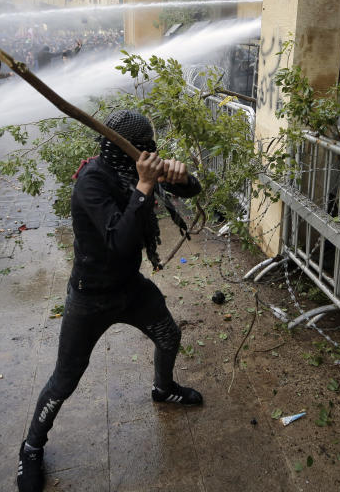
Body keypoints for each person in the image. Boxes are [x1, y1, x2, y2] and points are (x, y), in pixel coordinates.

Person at [16, 110, 203, 492]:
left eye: (150, 147)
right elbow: (120, 242)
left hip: (130, 288)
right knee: (65, 379)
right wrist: (146, 185)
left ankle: (163, 388)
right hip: (90, 296)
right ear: (118, 147)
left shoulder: (136, 167)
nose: (148, 153)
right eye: (141, 147)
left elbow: (190, 191)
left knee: (168, 336)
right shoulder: (92, 182)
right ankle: (31, 448)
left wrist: (183, 177)